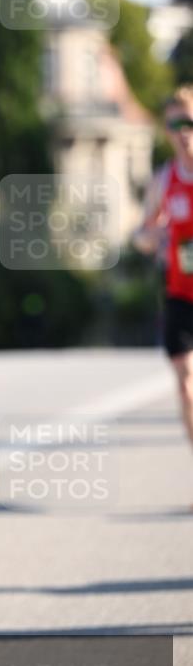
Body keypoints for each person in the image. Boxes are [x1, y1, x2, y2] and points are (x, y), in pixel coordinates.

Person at [133, 85, 193, 459]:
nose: (183, 132)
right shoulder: (164, 180)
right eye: (175, 125)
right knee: (186, 384)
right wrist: (154, 235)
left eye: (189, 122)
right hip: (180, 292)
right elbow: (140, 235)